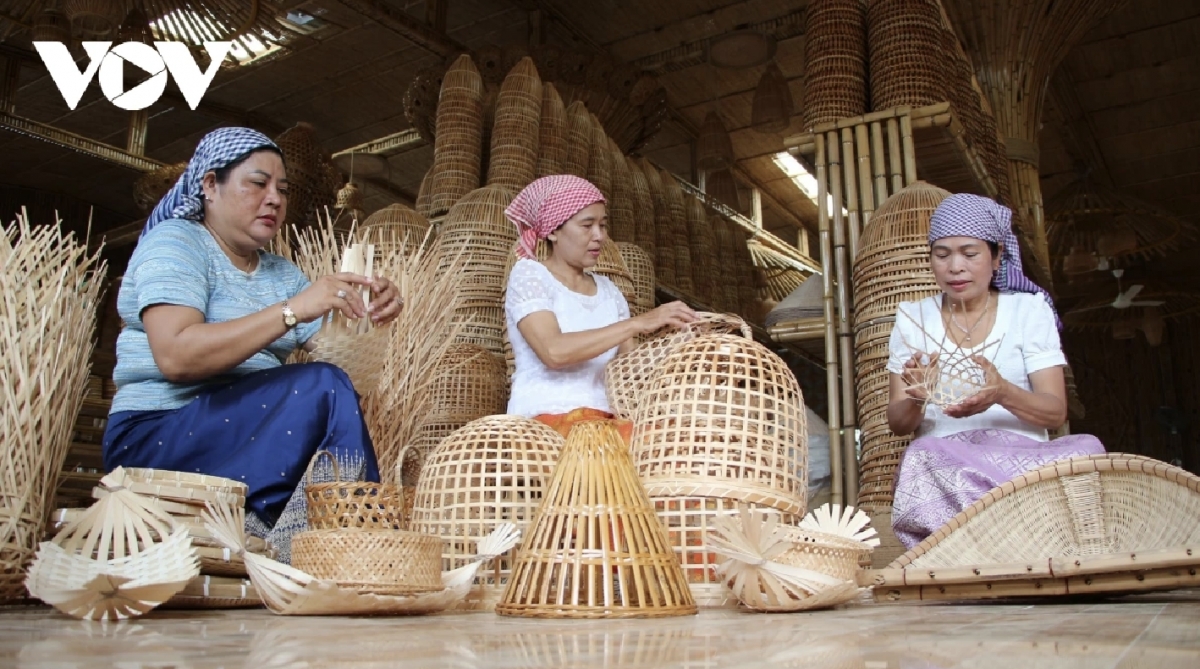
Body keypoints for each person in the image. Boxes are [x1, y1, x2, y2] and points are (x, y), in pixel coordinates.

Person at [102, 127, 403, 561]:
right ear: (209, 185)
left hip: (243, 436)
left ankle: (330, 540)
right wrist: (292, 311)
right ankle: (343, 543)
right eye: (258, 184)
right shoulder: (176, 244)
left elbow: (343, 381)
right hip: (158, 433)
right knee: (318, 384)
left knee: (327, 386)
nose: (275, 199)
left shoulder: (280, 274)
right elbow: (176, 356)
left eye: (281, 189)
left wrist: (373, 317)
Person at [886, 193, 1104, 549]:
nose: (955, 267)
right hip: (948, 466)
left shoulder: (1029, 311)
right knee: (922, 455)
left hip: (1024, 468)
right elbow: (898, 423)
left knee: (1087, 450)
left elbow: (1055, 412)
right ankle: (988, 546)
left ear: (997, 256)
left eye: (970, 254)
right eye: (942, 255)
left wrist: (1003, 393)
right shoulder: (912, 317)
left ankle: (995, 541)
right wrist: (918, 399)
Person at [503, 174, 697, 430]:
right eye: (587, 225)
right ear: (552, 231)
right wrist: (637, 323)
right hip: (546, 419)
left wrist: (679, 343)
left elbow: (629, 372)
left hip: (606, 420)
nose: (599, 236)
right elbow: (554, 352)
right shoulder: (530, 275)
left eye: (603, 225)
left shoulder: (609, 291)